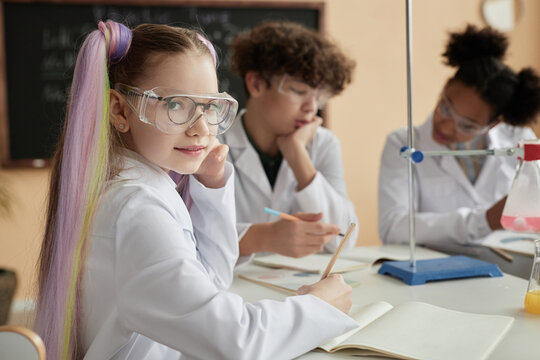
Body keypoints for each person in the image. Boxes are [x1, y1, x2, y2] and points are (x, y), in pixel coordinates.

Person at [34, 21, 358, 360]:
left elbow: (212, 282)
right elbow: (235, 341)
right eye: (176, 105)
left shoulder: (144, 187)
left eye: (210, 106)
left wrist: (211, 186)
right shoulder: (136, 209)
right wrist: (318, 307)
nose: (202, 129)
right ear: (119, 110)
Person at [378, 25, 540, 245]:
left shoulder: (520, 141)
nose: (445, 126)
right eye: (445, 107)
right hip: (436, 269)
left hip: (509, 265)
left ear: (492, 124)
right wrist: (485, 220)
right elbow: (393, 228)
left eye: (467, 126)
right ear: (445, 87)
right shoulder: (404, 143)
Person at [219, 21, 359, 259]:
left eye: (318, 97)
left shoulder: (323, 144)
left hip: (295, 288)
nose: (312, 108)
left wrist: (297, 153)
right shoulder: (212, 141)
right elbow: (192, 238)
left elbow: (343, 240)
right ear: (256, 84)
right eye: (299, 91)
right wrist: (264, 237)